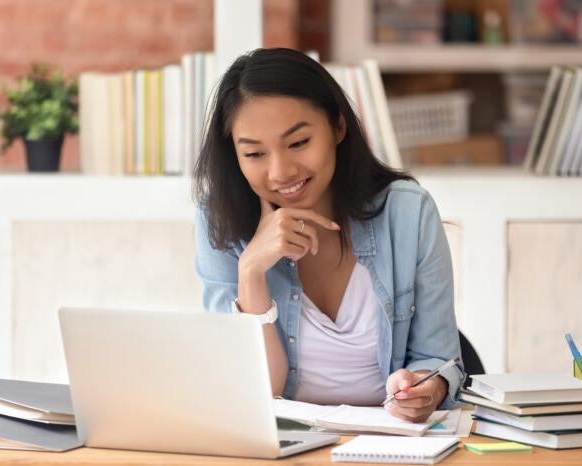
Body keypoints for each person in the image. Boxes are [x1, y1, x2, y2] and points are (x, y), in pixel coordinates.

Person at [193, 48, 464, 422]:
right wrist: (251, 272)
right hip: (284, 447)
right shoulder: (219, 222)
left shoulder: (408, 213)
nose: (280, 172)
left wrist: (424, 389)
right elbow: (254, 393)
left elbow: (439, 358)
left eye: (298, 143)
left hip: (389, 446)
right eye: (255, 154)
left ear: (338, 126)